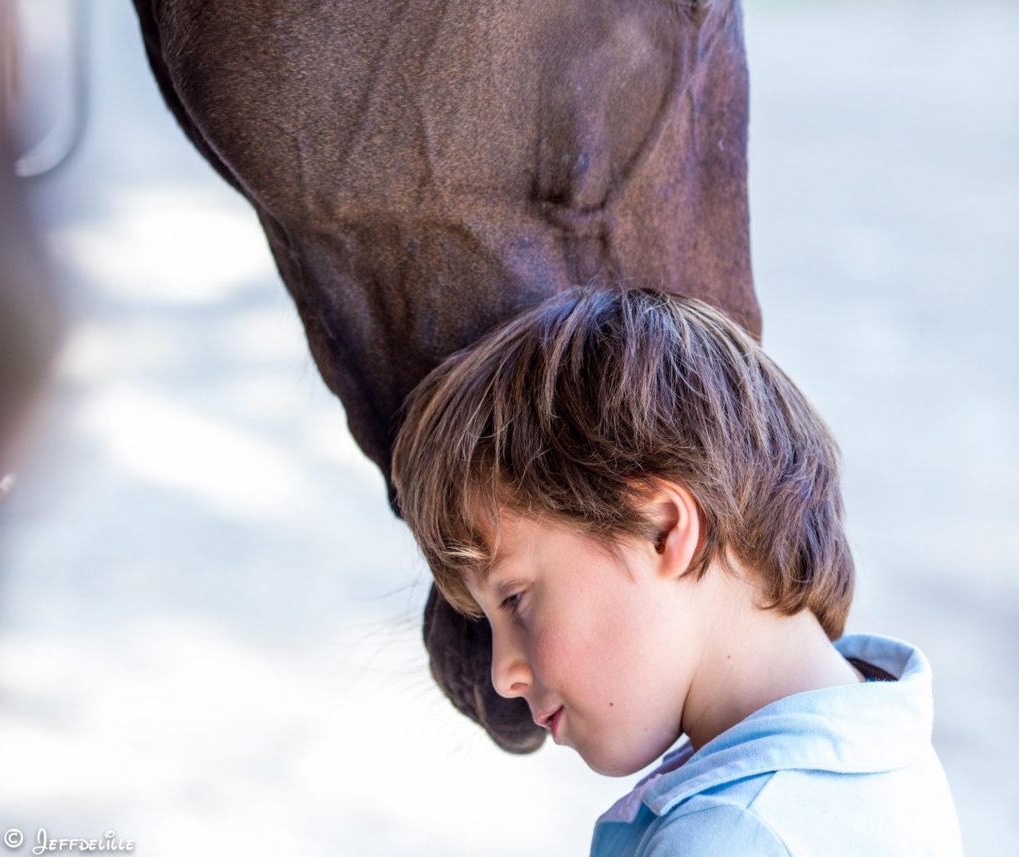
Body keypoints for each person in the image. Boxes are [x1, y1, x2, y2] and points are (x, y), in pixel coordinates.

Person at [390, 286, 962, 855]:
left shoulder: (731, 834)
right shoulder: (889, 760)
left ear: (662, 529)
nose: (502, 677)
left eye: (515, 599)